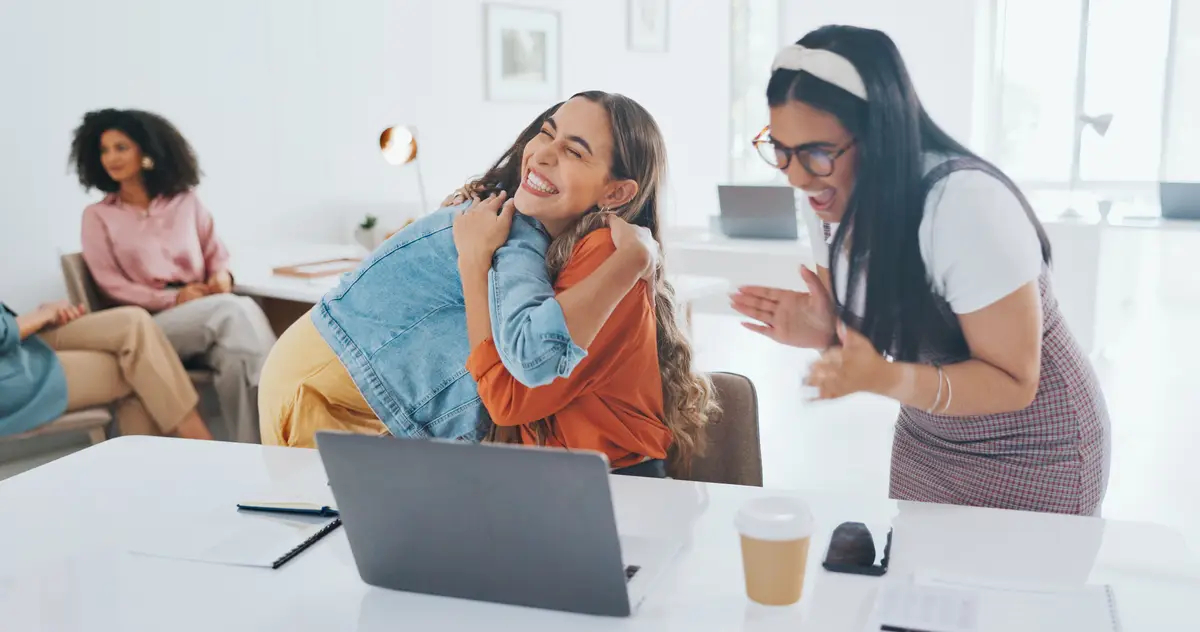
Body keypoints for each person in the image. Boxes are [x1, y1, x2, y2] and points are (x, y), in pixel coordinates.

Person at [731, 26, 1110, 515]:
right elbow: (864, 332)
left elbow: (1015, 381)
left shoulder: (964, 205)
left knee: (1015, 591)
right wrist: (827, 331)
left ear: (880, 133)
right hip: (929, 437)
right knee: (918, 583)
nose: (797, 176)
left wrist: (886, 379)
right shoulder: (827, 193)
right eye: (781, 150)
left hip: (1035, 448)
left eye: (817, 153)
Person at [260, 92, 715, 474]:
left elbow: (515, 387)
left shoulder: (588, 250)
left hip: (336, 377)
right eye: (546, 132)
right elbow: (520, 380)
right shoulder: (511, 233)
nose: (542, 153)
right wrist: (476, 262)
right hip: (322, 387)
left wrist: (476, 263)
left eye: (574, 151)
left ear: (616, 192)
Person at [71, 108, 276, 443]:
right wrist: (173, 298)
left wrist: (222, 276)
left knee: (237, 357)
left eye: (121, 147)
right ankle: (283, 393)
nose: (111, 158)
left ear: (147, 150)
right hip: (151, 328)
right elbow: (110, 284)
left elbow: (216, 253)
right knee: (235, 310)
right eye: (104, 150)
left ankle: (256, 453)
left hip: (207, 313)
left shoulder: (186, 202)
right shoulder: (98, 216)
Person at [1, 300, 212, 440]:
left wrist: (44, 316)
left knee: (133, 322)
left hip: (17, 343)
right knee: (136, 370)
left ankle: (195, 448)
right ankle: (201, 447)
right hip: (9, 373)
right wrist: (44, 314)